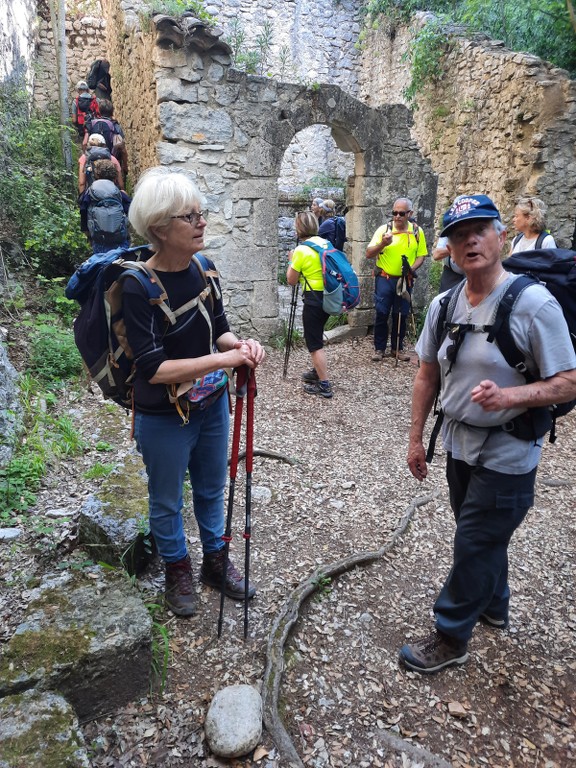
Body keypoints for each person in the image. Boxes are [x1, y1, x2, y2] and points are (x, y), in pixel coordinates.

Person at [402, 194, 576, 674]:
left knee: (474, 541)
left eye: (480, 230)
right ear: (451, 249)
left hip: (511, 447)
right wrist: (416, 439)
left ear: (502, 237)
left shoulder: (534, 304)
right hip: (458, 442)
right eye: (460, 235)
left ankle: (450, 635)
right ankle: (494, 606)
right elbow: (425, 375)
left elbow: (570, 379)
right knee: (477, 532)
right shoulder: (443, 305)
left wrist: (510, 398)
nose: (470, 240)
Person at [121, 167, 265, 617]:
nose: (202, 222)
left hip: (210, 404)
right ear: (161, 229)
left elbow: (218, 331)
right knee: (166, 498)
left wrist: (240, 346)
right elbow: (154, 367)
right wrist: (224, 361)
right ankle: (177, 569)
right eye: (191, 216)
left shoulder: (204, 268)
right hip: (163, 414)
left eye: (201, 213)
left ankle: (215, 563)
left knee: (210, 486)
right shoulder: (137, 284)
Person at [365, 197, 428, 362]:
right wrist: (383, 244)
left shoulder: (416, 232)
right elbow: (369, 253)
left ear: (410, 213)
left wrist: (410, 270)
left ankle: (397, 349)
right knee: (382, 313)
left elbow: (421, 256)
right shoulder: (383, 230)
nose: (397, 216)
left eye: (401, 213)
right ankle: (379, 349)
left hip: (405, 279)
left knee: (401, 314)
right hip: (385, 278)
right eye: (394, 213)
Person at [286, 211, 333, 399]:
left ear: (299, 229)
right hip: (329, 296)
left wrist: (291, 261)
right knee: (317, 335)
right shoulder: (325, 244)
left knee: (314, 344)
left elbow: (291, 280)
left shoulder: (301, 250)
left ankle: (324, 384)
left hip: (313, 300)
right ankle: (316, 371)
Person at [78, 159, 131, 253]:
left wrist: (87, 232)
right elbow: (130, 212)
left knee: (103, 263)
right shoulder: (119, 193)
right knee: (121, 262)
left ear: (96, 175)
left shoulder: (89, 193)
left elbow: (83, 210)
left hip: (99, 239)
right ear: (115, 176)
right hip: (120, 238)